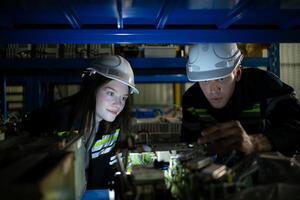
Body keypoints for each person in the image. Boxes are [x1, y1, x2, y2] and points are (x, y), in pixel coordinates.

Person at [22, 55, 139, 188]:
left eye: (123, 98)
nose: (118, 104)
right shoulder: (60, 118)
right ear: (92, 88)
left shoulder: (113, 124)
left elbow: (106, 165)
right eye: (110, 93)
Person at [181, 43, 300, 157]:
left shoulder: (265, 86)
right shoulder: (191, 100)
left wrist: (255, 143)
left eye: (221, 78)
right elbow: (188, 143)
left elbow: (296, 126)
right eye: (205, 80)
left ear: (237, 73)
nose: (213, 89)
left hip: (265, 166)